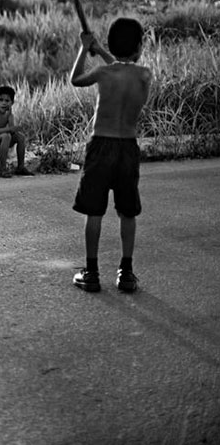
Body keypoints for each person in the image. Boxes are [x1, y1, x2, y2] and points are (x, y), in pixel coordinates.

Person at [70, 18, 152, 293]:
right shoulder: (144, 75)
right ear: (139, 47)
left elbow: (76, 79)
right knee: (127, 212)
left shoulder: (103, 74)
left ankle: (91, 272)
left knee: (94, 211)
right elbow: (121, 65)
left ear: (113, 45)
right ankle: (126, 272)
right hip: (127, 147)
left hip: (101, 145)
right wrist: (100, 49)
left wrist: (85, 48)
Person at [0, 85, 34, 178]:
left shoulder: (9, 115)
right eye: (0, 100)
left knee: (20, 136)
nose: (3, 103)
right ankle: (2, 169)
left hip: (1, 138)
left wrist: (10, 118)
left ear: (12, 103)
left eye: (7, 101)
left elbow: (12, 131)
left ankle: (20, 167)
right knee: (6, 136)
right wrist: (10, 129)